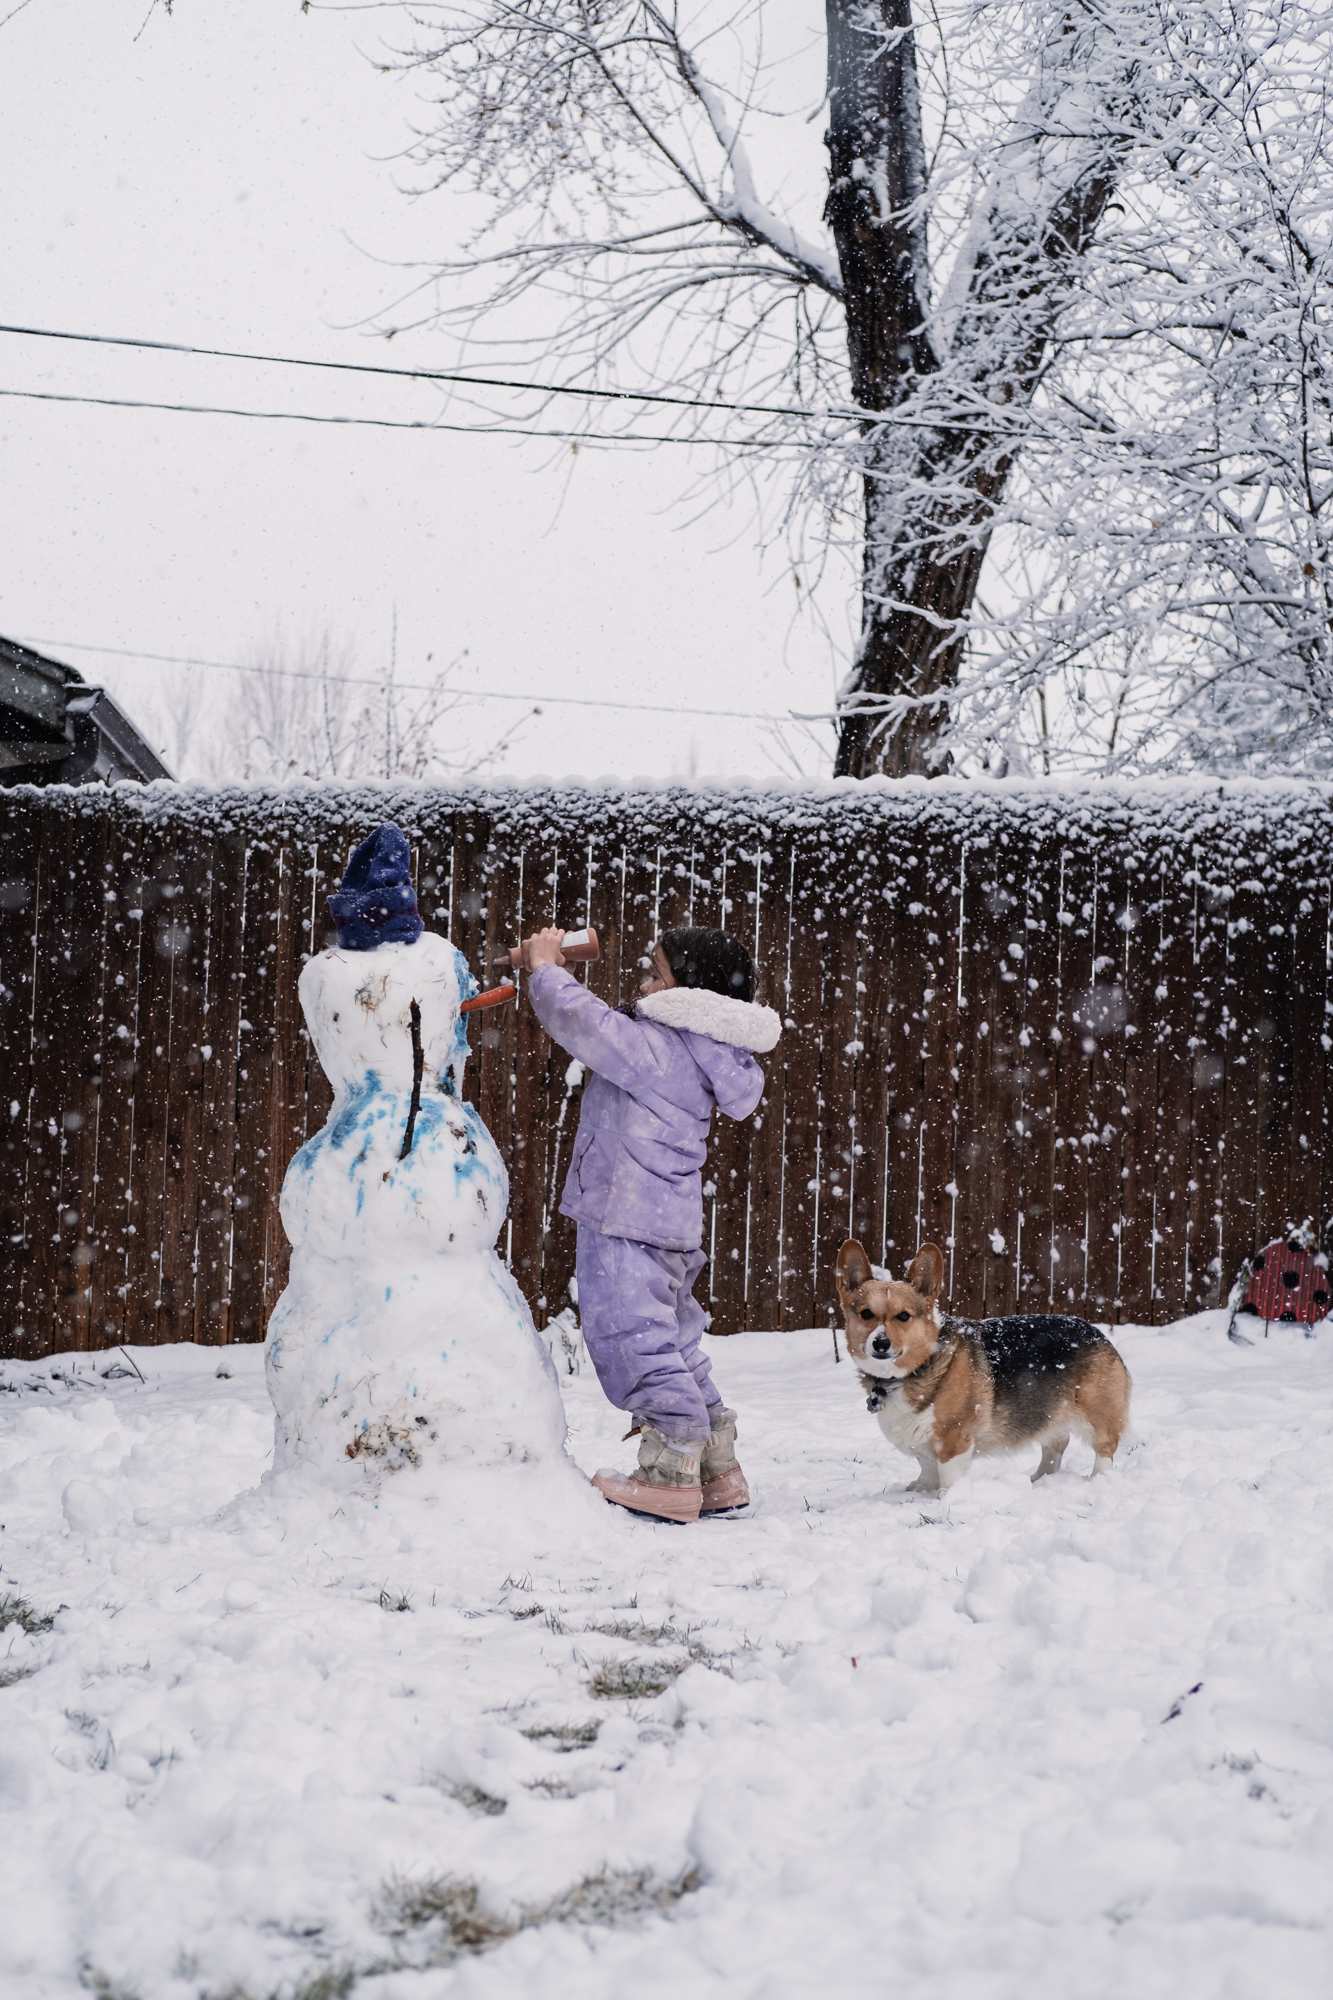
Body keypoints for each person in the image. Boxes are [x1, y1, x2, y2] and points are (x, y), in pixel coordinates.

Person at [523, 925, 781, 1522]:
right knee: (673, 1340)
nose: (643, 982)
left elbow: (586, 1024)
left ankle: (669, 1471)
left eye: (656, 973)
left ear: (689, 991)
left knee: (628, 1337)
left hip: (626, 1215)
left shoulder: (664, 1046)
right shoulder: (703, 1049)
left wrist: (544, 968)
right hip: (665, 1219)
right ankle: (717, 1466)